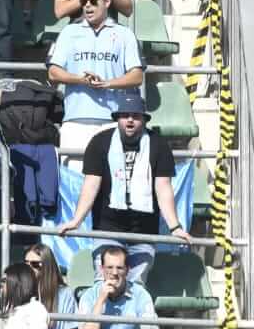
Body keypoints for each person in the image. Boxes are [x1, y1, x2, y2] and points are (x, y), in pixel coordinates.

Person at [60, 90, 190, 280]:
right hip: (107, 228)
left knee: (135, 286)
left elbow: (163, 188)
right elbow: (91, 185)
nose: (130, 120)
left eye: (135, 116)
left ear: (144, 120)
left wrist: (175, 227)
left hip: (143, 232)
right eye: (125, 116)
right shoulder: (100, 142)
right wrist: (76, 220)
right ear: (117, 118)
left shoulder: (158, 145)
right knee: (106, 283)